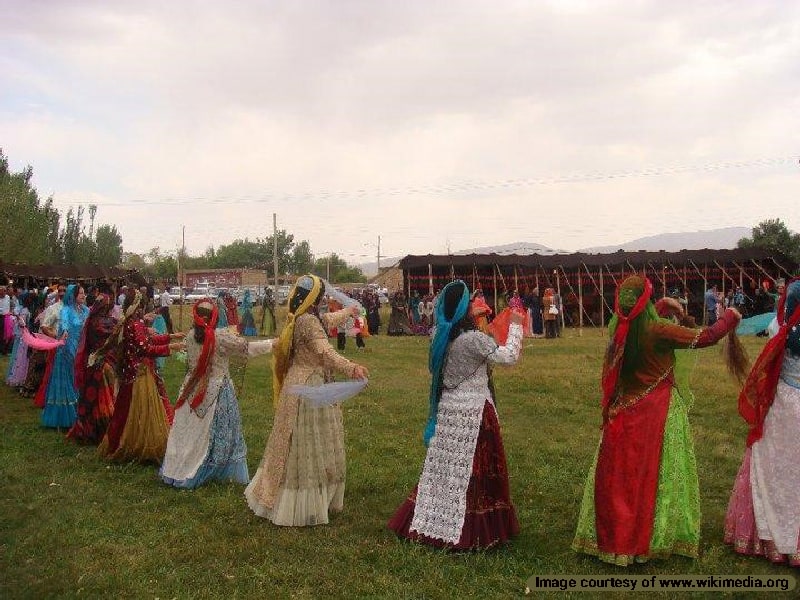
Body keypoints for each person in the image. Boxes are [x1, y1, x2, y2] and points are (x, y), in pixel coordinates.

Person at [572, 275, 741, 566]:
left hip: (624, 412)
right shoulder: (659, 331)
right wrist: (731, 316)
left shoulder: (619, 328)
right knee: (657, 476)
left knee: (623, 477)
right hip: (658, 411)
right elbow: (706, 336)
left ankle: (616, 538)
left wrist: (663, 304)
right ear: (645, 302)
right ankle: (654, 536)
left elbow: (643, 321)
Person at [388, 280, 522, 549]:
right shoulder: (472, 339)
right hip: (474, 415)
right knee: (475, 472)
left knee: (444, 470)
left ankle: (434, 518)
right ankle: (474, 528)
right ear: (465, 310)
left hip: (448, 413)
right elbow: (509, 357)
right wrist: (517, 324)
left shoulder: (438, 334)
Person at [245, 275, 368, 527]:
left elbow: (329, 320)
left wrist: (349, 310)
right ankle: (305, 502)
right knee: (309, 443)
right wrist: (351, 367)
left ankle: (286, 493)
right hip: (310, 386)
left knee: (292, 443)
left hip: (298, 384)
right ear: (314, 298)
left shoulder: (300, 316)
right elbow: (325, 351)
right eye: (321, 295)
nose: (323, 299)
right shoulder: (309, 321)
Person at [724, 279, 800, 565]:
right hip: (787, 403)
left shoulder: (780, 332)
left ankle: (770, 539)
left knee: (773, 468)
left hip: (783, 403)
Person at [161, 300, 274, 489]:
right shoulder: (219, 336)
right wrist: (272, 344)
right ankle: (212, 468)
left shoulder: (190, 336)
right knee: (218, 431)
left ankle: (180, 465)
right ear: (214, 317)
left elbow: (190, 364)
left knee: (188, 432)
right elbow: (247, 348)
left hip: (190, 390)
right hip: (216, 389)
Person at [98, 290, 185, 464]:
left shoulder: (130, 322)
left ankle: (122, 443)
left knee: (124, 412)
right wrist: (173, 347)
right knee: (141, 411)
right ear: (137, 304)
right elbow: (146, 349)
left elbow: (148, 340)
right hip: (140, 374)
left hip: (133, 374)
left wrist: (171, 337)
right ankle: (138, 445)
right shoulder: (134, 324)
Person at [66, 293, 119, 444]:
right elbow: (112, 337)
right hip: (102, 365)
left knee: (94, 398)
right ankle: (102, 431)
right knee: (102, 398)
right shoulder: (102, 323)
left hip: (97, 364)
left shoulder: (94, 321)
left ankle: (94, 429)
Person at [41, 284, 89, 429]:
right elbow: (65, 326)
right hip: (67, 351)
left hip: (81, 350)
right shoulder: (66, 311)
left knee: (79, 380)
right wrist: (65, 333)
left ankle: (80, 414)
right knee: (68, 380)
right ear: (73, 296)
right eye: (80, 293)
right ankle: (64, 418)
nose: (83, 295)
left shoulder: (86, 310)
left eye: (83, 293)